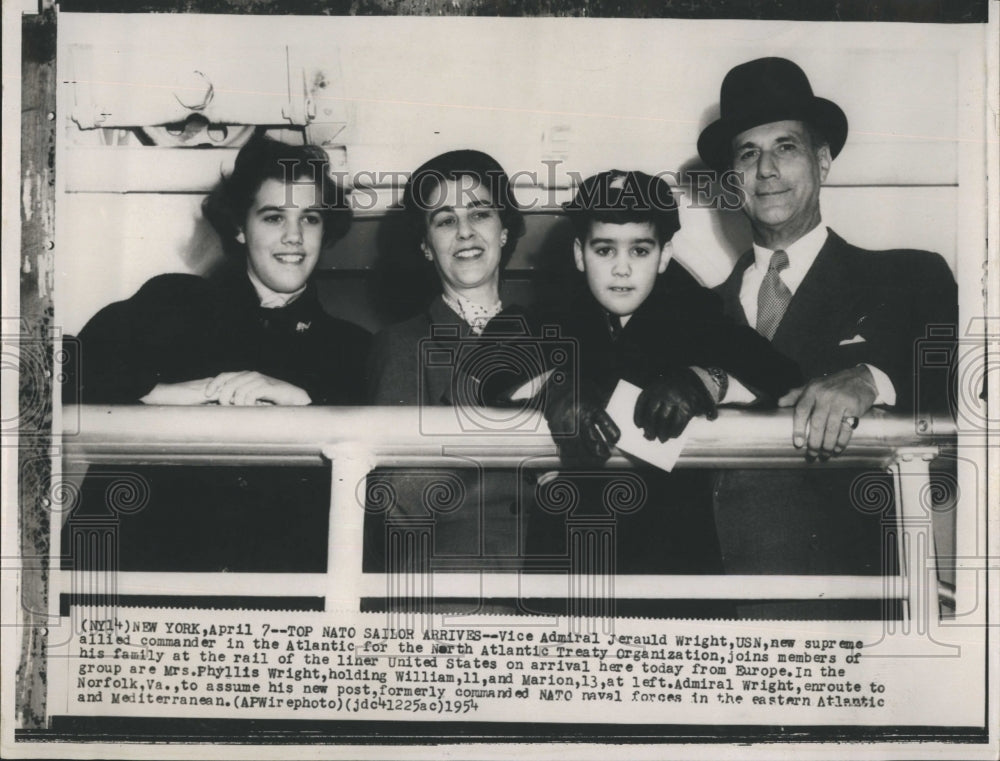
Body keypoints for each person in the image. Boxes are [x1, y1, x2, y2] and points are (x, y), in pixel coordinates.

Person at [698, 58, 957, 594]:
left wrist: (872, 378)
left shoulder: (909, 278)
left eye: (785, 147)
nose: (766, 169)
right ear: (731, 181)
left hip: (849, 605)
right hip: (713, 605)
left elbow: (961, 384)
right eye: (748, 153)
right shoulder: (693, 311)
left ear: (822, 162)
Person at [63, 134, 371, 573]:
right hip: (145, 579)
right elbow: (57, 367)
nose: (294, 237)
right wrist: (165, 391)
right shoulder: (173, 301)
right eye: (273, 217)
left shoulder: (352, 347)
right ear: (240, 228)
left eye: (310, 218)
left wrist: (304, 403)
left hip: (282, 594)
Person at [531, 169, 802, 587]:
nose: (622, 269)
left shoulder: (693, 313)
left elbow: (781, 375)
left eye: (640, 250)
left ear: (664, 255)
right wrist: (557, 386)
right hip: (569, 560)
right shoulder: (553, 313)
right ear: (579, 254)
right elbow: (489, 371)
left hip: (669, 558)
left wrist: (705, 382)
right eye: (604, 250)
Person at [364, 149, 533, 583]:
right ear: (425, 246)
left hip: (553, 584)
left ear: (504, 231)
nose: (465, 231)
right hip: (450, 587)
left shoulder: (547, 335)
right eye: (444, 220)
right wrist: (479, 393)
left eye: (480, 213)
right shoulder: (401, 345)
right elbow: (396, 503)